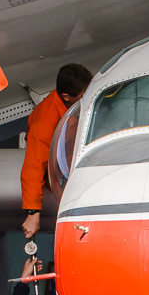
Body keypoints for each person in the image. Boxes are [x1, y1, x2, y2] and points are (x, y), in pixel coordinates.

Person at [22, 63, 93, 238]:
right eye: (84, 95)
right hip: (65, 170)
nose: (88, 97)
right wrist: (33, 212)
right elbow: (34, 165)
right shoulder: (45, 121)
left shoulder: (72, 104)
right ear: (67, 97)